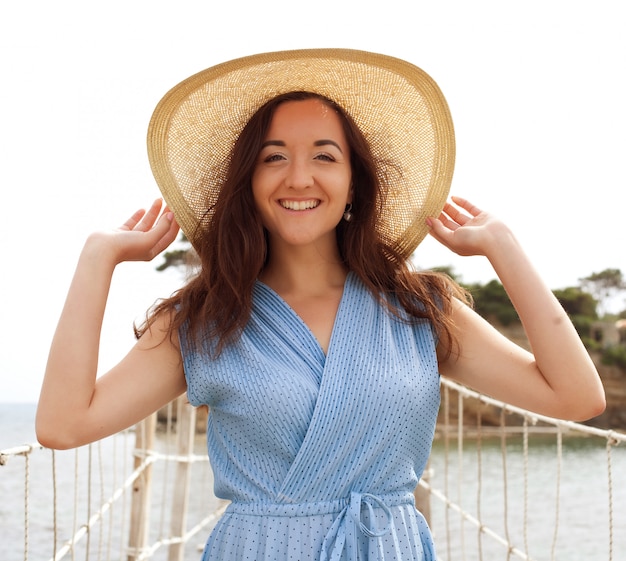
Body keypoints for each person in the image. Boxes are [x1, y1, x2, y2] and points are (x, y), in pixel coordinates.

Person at [36, 49, 605, 560]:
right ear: (249, 180)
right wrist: (97, 259)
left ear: (356, 181)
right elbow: (63, 425)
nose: (299, 177)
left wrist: (504, 250)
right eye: (274, 156)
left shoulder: (418, 309)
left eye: (325, 156)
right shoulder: (203, 319)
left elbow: (576, 396)